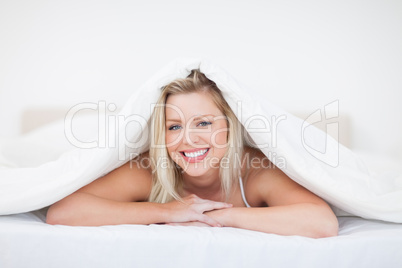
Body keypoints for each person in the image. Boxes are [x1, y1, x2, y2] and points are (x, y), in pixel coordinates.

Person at [46, 70, 338, 238]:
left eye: (204, 123)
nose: (188, 139)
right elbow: (63, 212)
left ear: (230, 126)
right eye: (174, 126)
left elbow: (322, 222)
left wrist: (215, 216)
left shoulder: (255, 170)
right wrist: (168, 212)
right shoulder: (150, 168)